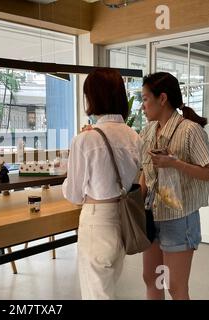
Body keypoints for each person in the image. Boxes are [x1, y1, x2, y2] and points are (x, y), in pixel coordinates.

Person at [62, 68, 142, 299]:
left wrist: (65, 182)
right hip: (124, 219)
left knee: (96, 294)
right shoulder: (133, 136)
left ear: (92, 98)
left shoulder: (85, 139)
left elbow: (74, 195)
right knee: (107, 290)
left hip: (97, 222)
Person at [139, 72, 209, 300]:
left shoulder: (190, 131)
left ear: (162, 98)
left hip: (179, 218)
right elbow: (146, 172)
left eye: (145, 99)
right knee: (151, 279)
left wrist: (176, 164)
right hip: (151, 215)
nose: (143, 106)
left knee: (175, 286)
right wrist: (136, 207)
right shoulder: (148, 131)